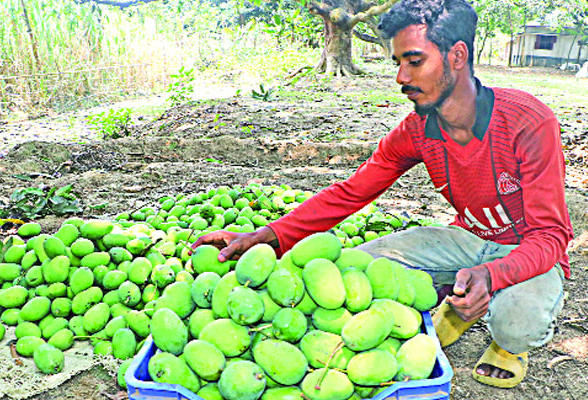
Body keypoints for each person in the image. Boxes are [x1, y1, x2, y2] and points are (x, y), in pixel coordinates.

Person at [192, 0, 573, 389]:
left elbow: (551, 236)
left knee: (516, 321)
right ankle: (461, 301)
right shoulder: (418, 129)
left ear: (457, 56)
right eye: (397, 63)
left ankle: (506, 343)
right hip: (468, 240)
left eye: (414, 61)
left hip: (529, 250)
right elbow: (352, 191)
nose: (400, 78)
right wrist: (270, 235)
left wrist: (492, 276)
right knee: (356, 266)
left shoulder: (528, 121)